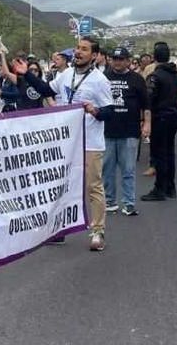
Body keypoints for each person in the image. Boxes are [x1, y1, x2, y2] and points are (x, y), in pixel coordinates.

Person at [45, 36, 114, 250]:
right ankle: (62, 228)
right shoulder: (66, 74)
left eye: (84, 49)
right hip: (68, 142)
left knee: (93, 187)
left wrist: (95, 110)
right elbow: (47, 90)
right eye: (77, 48)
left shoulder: (99, 80)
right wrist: (25, 74)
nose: (79, 52)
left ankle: (97, 232)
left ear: (94, 55)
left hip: (90, 143)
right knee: (64, 186)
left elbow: (110, 112)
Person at [101, 47, 150, 216]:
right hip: (106, 130)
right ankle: (110, 201)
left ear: (128, 61)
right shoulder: (103, 78)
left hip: (130, 131)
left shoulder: (137, 79)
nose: (118, 62)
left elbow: (146, 105)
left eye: (121, 59)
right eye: (115, 58)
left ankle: (129, 203)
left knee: (128, 170)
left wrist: (147, 124)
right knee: (107, 169)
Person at [142, 42, 177, 201]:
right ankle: (170, 187)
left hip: (159, 117)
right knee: (169, 152)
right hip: (173, 115)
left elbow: (149, 100)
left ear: (154, 57)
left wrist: (146, 121)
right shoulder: (176, 74)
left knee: (159, 153)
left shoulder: (155, 76)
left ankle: (159, 188)